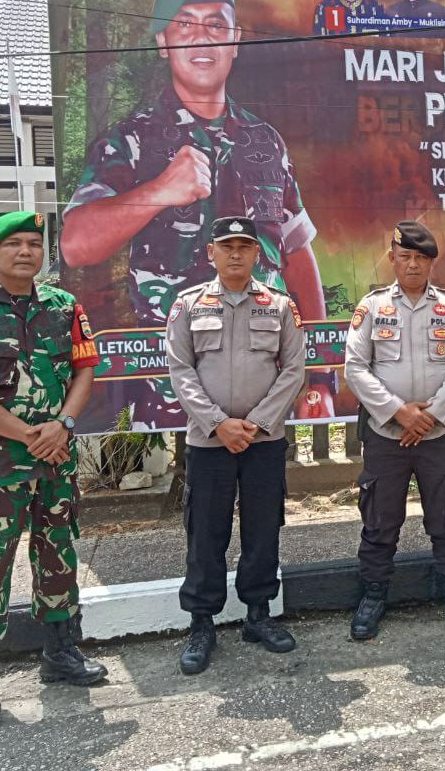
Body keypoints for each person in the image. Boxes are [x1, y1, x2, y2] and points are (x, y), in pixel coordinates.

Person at [60, 0, 332, 427]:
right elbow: (76, 245)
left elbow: (297, 254)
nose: (202, 39)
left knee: (266, 476)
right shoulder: (131, 140)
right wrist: (159, 190)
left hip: (265, 389)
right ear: (163, 42)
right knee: (189, 478)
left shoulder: (266, 141)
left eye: (216, 25)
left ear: (236, 40)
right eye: (185, 24)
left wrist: (321, 374)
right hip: (171, 396)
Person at [0, 211, 106, 731]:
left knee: (58, 556)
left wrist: (64, 424)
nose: (26, 252)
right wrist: (31, 434)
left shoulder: (64, 306)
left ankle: (60, 653)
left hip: (55, 463)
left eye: (34, 243)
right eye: (14, 244)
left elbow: (85, 370)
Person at [166, 215, 307, 674]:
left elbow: (293, 370)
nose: (235, 254)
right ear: (211, 252)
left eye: (244, 246)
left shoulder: (279, 305)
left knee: (263, 529)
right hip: (209, 442)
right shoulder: (188, 305)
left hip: (264, 441)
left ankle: (258, 615)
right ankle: (201, 623)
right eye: (226, 246)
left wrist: (258, 423)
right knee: (205, 532)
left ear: (255, 254)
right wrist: (218, 424)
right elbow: (181, 371)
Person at [344, 221, 445, 640]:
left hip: (437, 435)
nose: (413, 264)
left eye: (421, 258)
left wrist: (432, 416)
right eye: (405, 256)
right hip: (387, 434)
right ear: (392, 259)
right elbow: (355, 368)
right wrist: (399, 412)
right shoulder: (373, 307)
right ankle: (373, 596)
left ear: (431, 263)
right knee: (379, 519)